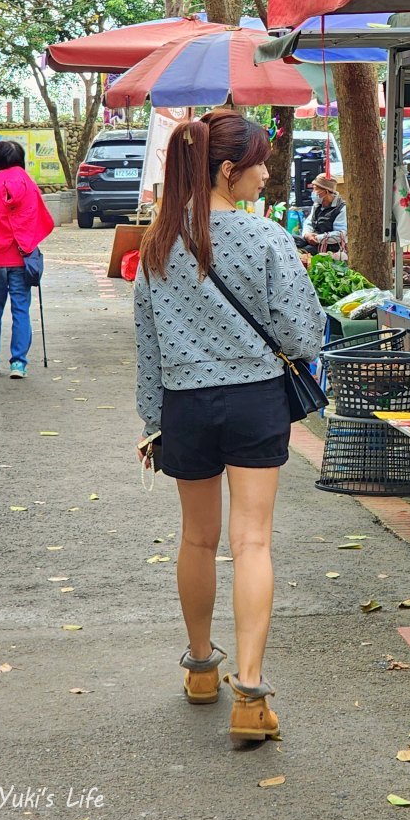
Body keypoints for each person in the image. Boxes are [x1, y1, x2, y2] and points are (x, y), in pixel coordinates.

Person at [133, 109, 325, 748]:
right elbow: (301, 335)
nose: (267, 175)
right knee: (253, 543)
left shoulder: (157, 241)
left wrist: (155, 423)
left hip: (185, 406)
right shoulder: (266, 239)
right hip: (254, 403)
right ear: (225, 170)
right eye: (259, 164)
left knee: (196, 539)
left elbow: (149, 349)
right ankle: (250, 691)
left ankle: (199, 669)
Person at [0, 140, 54, 378]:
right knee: (21, 310)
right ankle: (18, 363)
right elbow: (38, 220)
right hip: (22, 260)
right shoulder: (30, 185)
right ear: (20, 160)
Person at [294, 175, 346, 252]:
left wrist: (318, 238)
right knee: (289, 240)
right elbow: (308, 222)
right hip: (312, 239)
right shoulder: (317, 204)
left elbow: (341, 234)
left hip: (328, 246)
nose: (313, 192)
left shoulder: (341, 208)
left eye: (315, 189)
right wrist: (307, 235)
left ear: (326, 191)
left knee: (301, 252)